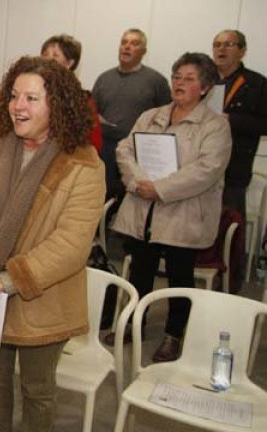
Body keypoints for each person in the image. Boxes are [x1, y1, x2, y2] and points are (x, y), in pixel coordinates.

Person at [0, 56, 104, 431]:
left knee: (37, 393)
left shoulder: (84, 164)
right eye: (14, 96)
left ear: (58, 105)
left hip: (41, 300)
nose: (18, 106)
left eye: (31, 99)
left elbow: (70, 245)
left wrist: (3, 281)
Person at [109, 52, 231, 362]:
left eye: (189, 79)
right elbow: (126, 149)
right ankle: (133, 324)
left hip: (184, 214)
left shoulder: (215, 125)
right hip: (142, 209)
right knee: (140, 270)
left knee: (179, 276)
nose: (179, 83)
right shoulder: (151, 115)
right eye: (177, 76)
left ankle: (173, 335)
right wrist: (139, 183)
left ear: (205, 88)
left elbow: (207, 169)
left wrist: (160, 189)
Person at [212, 30, 267, 292]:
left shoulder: (256, 83)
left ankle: (230, 289)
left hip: (234, 170)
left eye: (228, 45)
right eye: (217, 44)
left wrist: (231, 120)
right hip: (201, 166)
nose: (221, 49)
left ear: (242, 50)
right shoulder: (204, 78)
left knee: (230, 231)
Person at [92, 28, 171, 200]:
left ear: (143, 51)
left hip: (137, 151)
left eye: (134, 43)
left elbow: (167, 116)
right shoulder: (104, 78)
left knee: (130, 199)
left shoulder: (156, 81)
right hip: (105, 147)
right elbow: (92, 111)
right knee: (100, 194)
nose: (127, 47)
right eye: (124, 42)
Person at [41, 34, 103, 154]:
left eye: (55, 55)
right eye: (45, 55)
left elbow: (94, 145)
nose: (47, 60)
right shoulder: (31, 91)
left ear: (69, 63)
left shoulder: (81, 100)